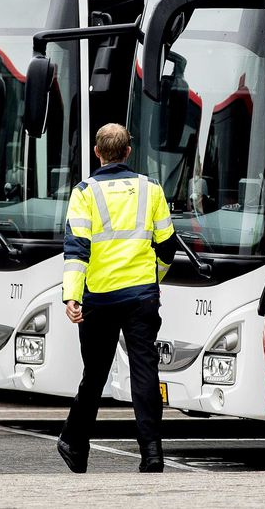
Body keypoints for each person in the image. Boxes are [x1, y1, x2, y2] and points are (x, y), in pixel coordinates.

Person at [56, 123, 178, 473]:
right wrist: (155, 276)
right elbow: (168, 244)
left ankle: (76, 445)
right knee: (144, 371)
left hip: (100, 298)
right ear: (128, 152)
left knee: (95, 374)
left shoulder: (84, 192)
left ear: (97, 152)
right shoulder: (150, 189)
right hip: (141, 296)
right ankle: (152, 454)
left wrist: (71, 297)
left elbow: (76, 248)